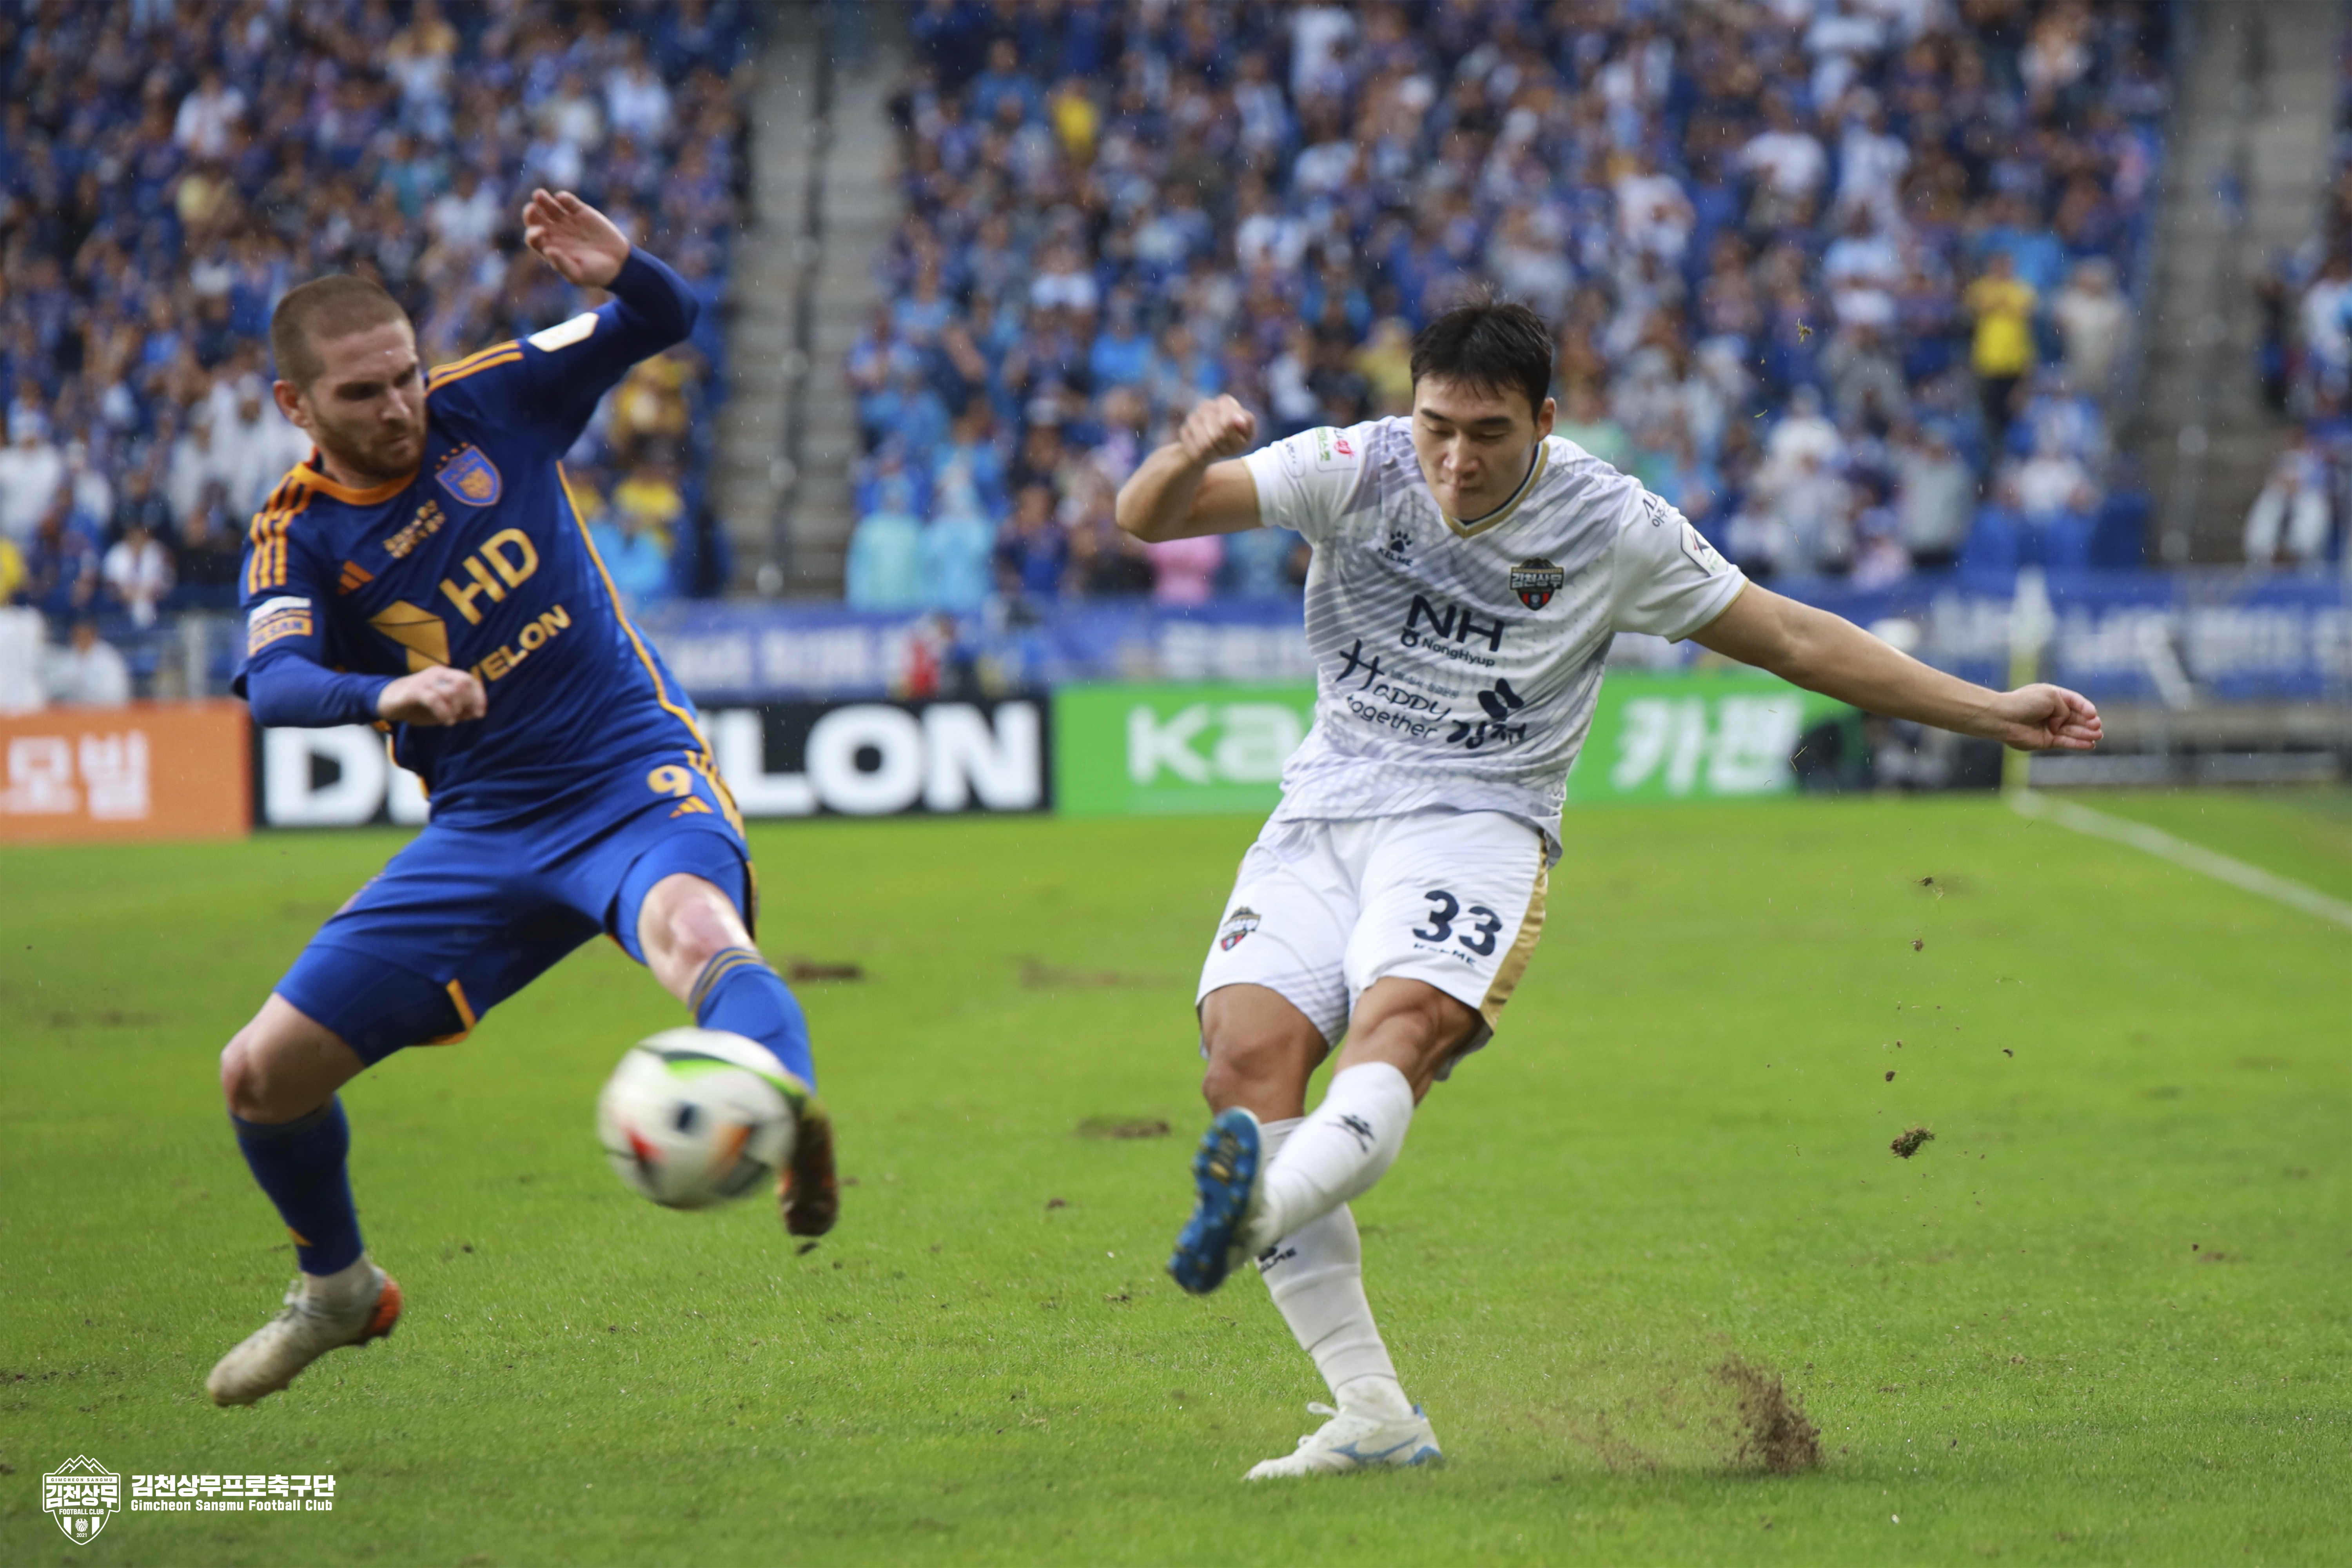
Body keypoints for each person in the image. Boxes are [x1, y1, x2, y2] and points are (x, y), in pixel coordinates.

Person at [1113, 298, 2101, 1481]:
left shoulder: (1609, 520)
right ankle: (1373, 1414)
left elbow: (1792, 639)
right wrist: (1183, 454)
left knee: (1398, 1033)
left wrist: (1989, 710)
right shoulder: (1357, 464)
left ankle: (1256, 1218)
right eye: (1437, 428)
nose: (1457, 460)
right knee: (1243, 1067)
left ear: (1544, 420)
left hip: (1478, 822)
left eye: (1488, 433)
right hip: (1322, 815)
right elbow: (1148, 519)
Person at [207, 189, 837, 1409]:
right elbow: (276, 684)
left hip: (629, 775)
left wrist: (625, 269)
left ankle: (782, 1101)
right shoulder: (296, 532)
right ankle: (338, 1290)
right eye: (361, 393)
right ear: (296, 406)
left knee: (701, 936)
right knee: (260, 1075)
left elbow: (664, 316)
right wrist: (385, 695)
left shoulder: (491, 399)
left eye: (405, 375)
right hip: (486, 830)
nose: (399, 406)